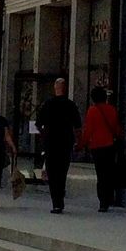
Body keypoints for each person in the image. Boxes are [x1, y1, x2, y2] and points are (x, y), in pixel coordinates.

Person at [36, 77, 82, 215]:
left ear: (55, 88)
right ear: (65, 88)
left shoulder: (48, 104)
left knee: (52, 172)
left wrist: (44, 134)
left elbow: (38, 124)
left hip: (51, 143)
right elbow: (78, 126)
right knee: (62, 172)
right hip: (65, 142)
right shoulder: (70, 105)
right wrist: (78, 141)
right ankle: (60, 199)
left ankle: (56, 202)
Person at [81, 84, 123, 212]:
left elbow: (88, 131)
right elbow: (117, 128)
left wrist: (81, 145)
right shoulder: (112, 110)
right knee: (109, 171)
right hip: (110, 145)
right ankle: (109, 197)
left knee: (101, 173)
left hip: (97, 146)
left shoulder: (92, 111)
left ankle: (103, 202)